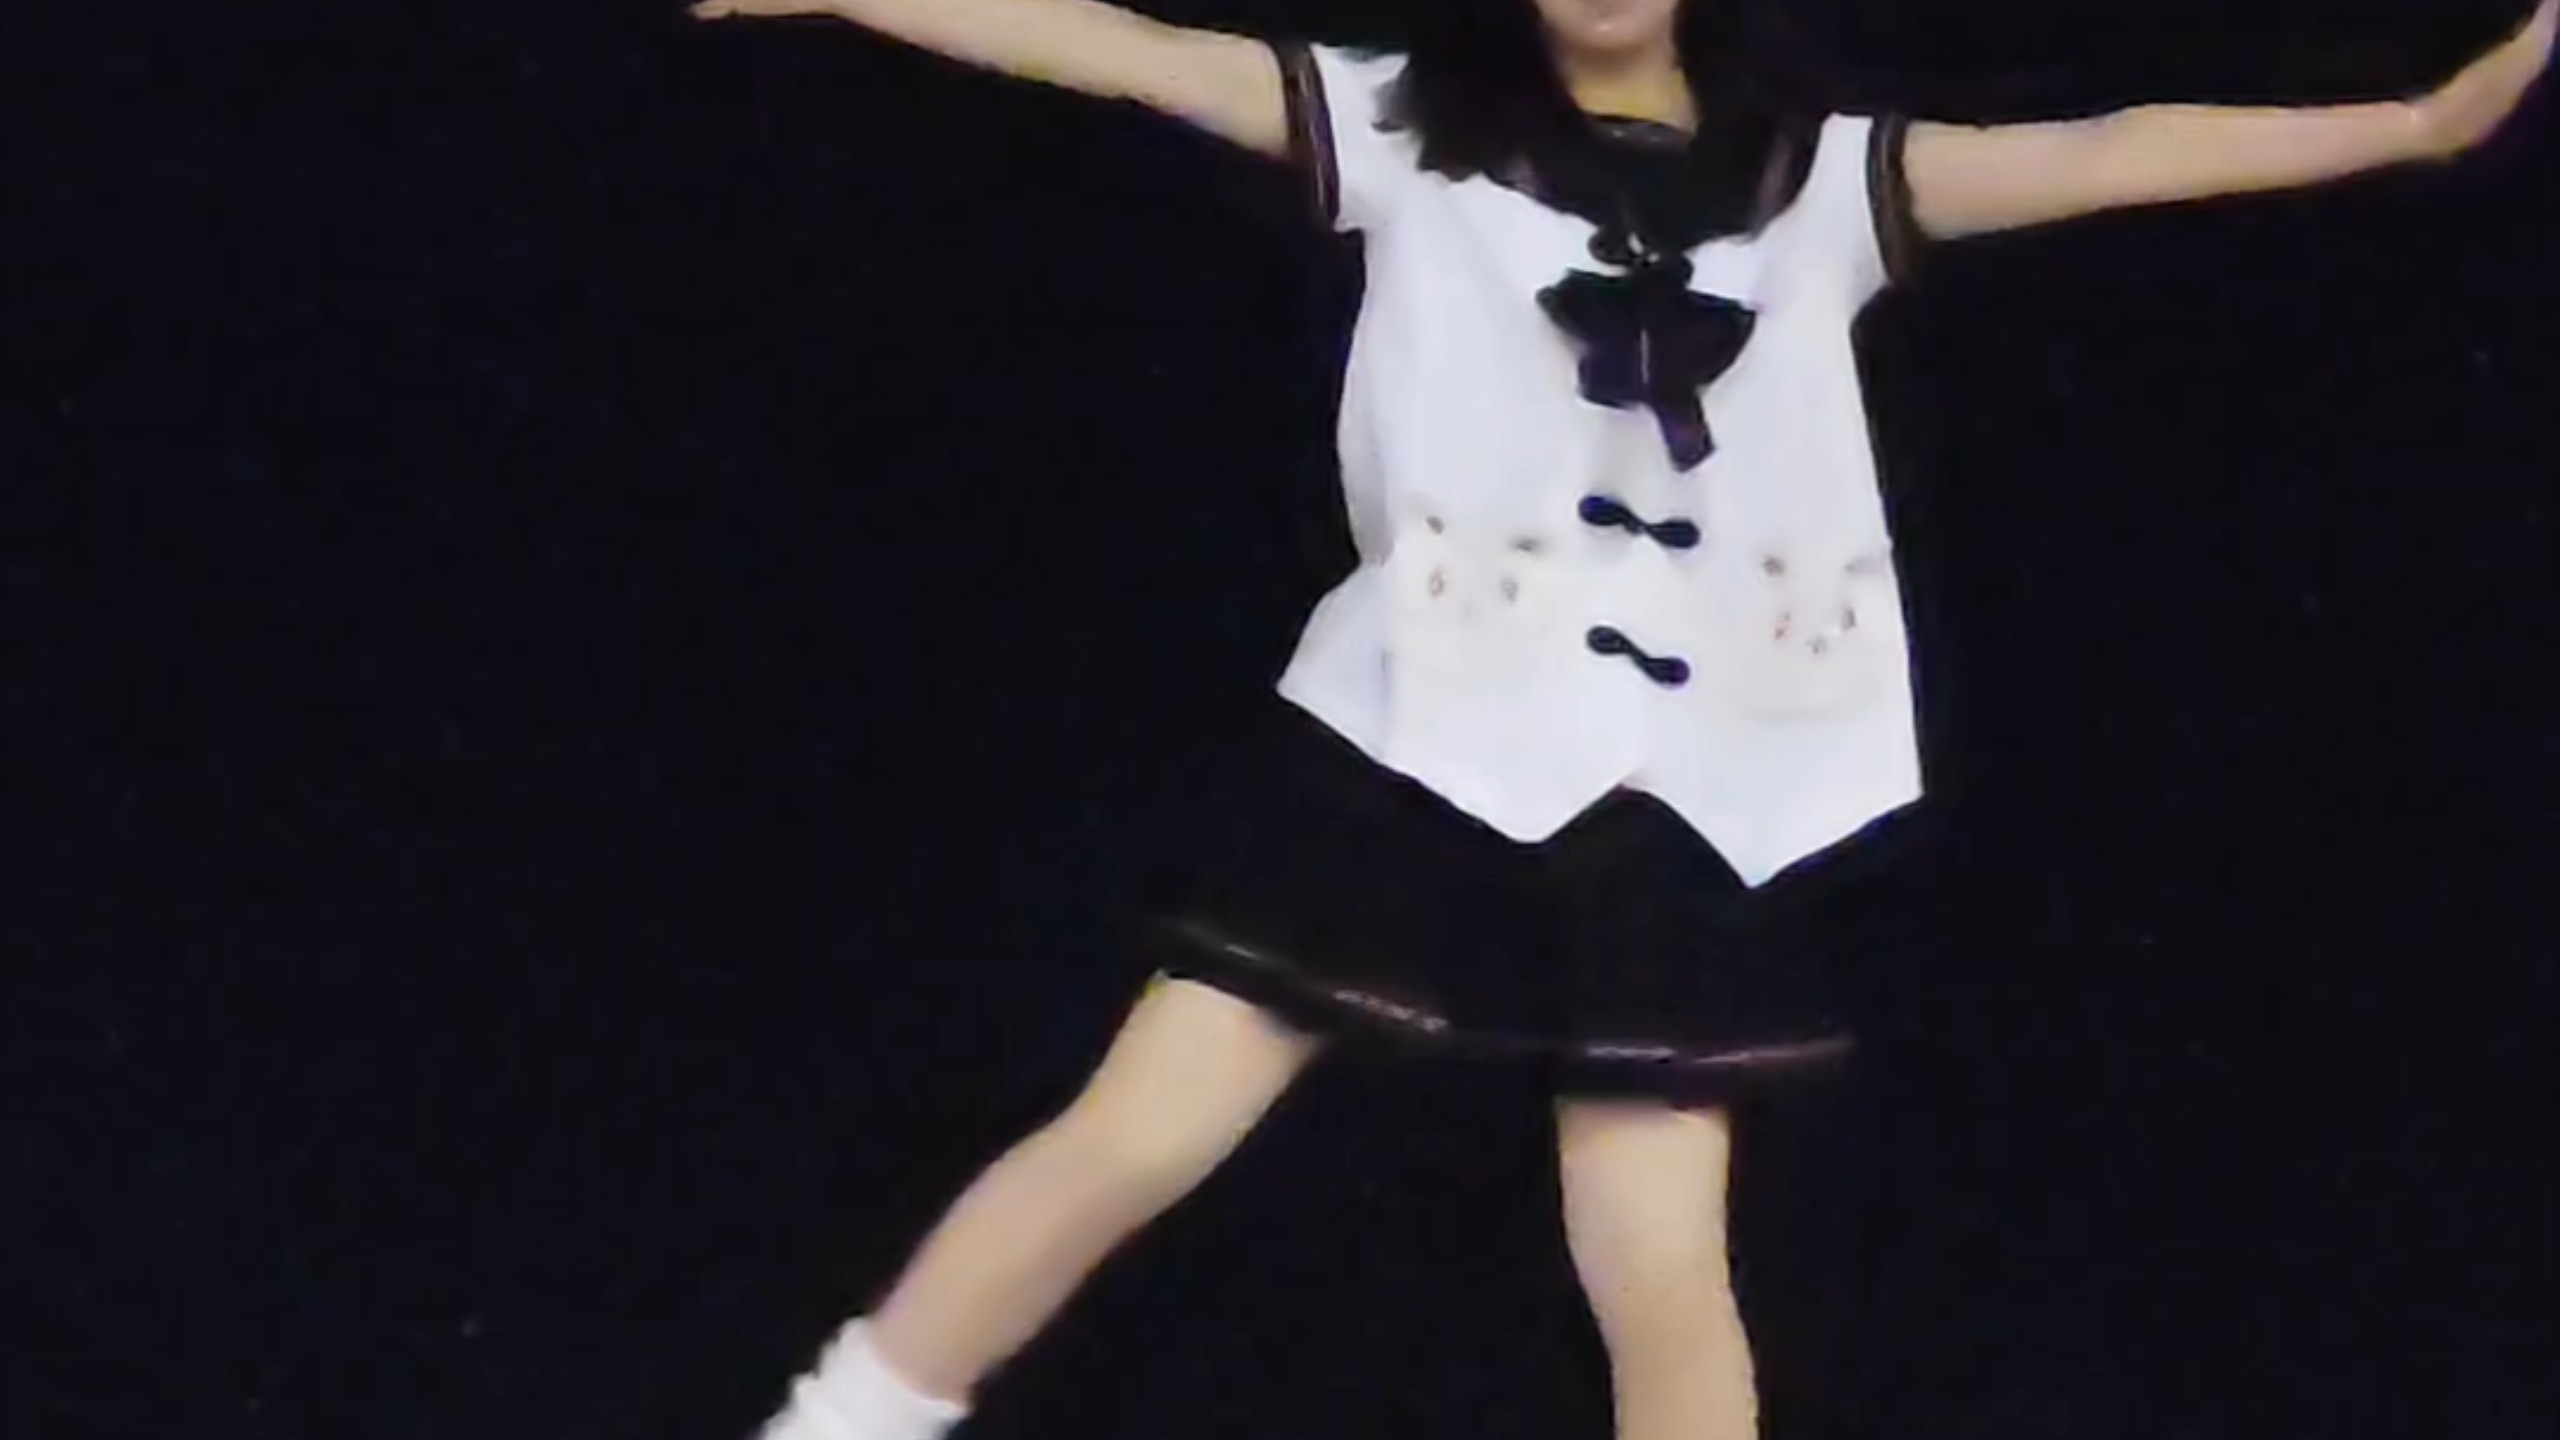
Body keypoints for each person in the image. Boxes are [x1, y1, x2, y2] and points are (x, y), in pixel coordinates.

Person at [687, 2, 2554, 1437]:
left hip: (1690, 786)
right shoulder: (1404, 130)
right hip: (1422, 732)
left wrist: (2412, 125)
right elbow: (1122, 48)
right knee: (1135, 1138)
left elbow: (2105, 150)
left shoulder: (1822, 181)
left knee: (1659, 1260)